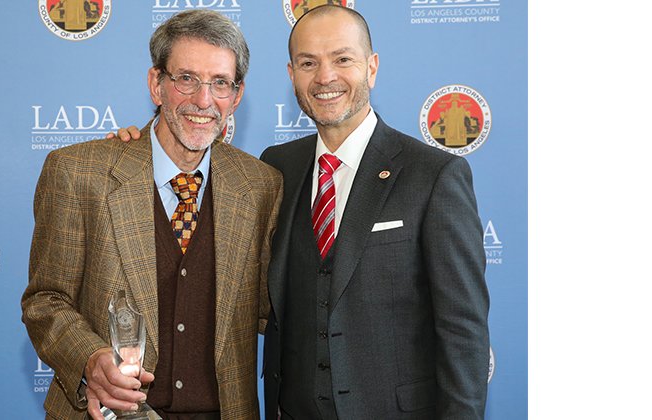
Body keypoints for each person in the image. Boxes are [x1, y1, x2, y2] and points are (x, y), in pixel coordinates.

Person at [114, 5, 490, 419]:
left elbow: (462, 332)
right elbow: (188, 148)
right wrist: (137, 150)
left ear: (372, 67)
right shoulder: (275, 169)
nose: (325, 77)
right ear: (292, 75)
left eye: (342, 59)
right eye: (309, 63)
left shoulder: (433, 175)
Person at [21, 9, 282, 420]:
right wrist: (90, 359)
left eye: (220, 83)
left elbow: (278, 307)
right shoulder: (78, 172)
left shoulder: (262, 185)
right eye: (186, 79)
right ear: (156, 84)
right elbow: (44, 301)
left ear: (237, 95)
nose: (203, 100)